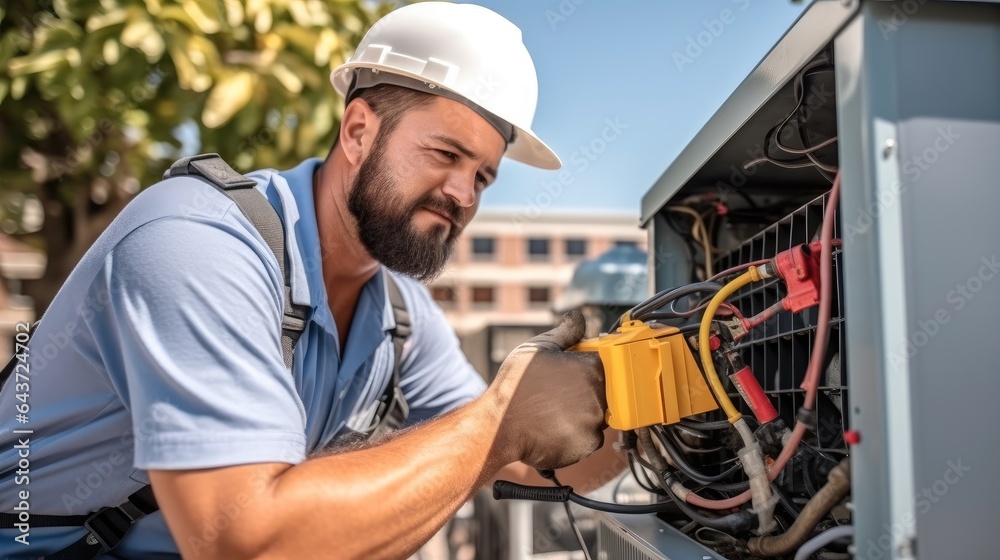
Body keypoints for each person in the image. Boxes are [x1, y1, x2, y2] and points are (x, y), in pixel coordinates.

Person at [0, 3, 613, 558]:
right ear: (358, 132)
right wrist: (501, 417)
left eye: (482, 177)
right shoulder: (196, 240)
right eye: (446, 154)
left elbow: (514, 465)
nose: (462, 193)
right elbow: (244, 543)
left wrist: (650, 424)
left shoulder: (398, 313)